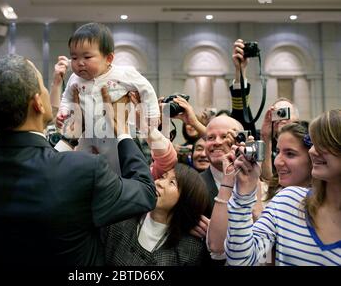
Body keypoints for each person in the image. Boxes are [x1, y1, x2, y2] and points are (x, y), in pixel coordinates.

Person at [0, 54, 156, 265]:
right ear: (37, 103)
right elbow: (145, 192)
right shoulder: (83, 169)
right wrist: (123, 132)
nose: (47, 91)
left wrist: (69, 139)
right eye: (43, 85)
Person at [225, 109, 341, 266]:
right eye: (313, 144)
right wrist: (243, 195)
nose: (313, 151)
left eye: (322, 144)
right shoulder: (288, 200)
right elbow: (241, 260)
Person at [56, 22, 160, 174]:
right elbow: (67, 97)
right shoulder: (74, 79)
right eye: (74, 57)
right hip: (87, 134)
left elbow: (146, 88)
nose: (80, 63)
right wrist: (63, 112)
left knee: (119, 165)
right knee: (84, 166)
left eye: (87, 56)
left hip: (116, 134)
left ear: (109, 58)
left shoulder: (123, 74)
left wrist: (152, 113)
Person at [207, 121, 313, 260]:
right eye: (278, 152)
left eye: (290, 154)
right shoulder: (263, 192)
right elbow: (217, 248)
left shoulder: (328, 204)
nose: (278, 162)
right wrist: (230, 178)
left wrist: (258, 213)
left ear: (313, 157)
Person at [104, 163, 210, 266]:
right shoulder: (121, 218)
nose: (159, 183)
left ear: (187, 199)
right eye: (163, 177)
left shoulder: (190, 249)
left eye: (172, 182)